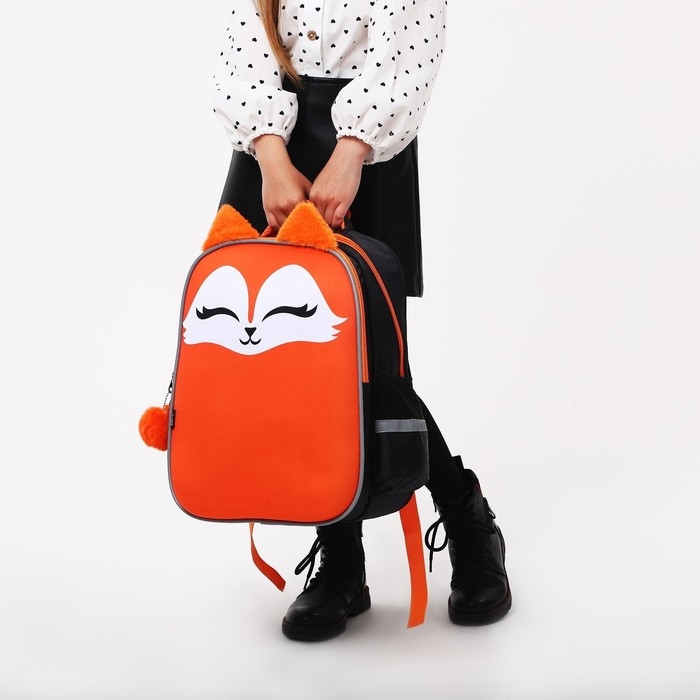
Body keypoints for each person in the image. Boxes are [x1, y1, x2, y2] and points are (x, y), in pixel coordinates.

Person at [211, 0, 512, 642]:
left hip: (367, 154)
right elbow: (244, 46)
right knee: (295, 363)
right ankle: (342, 560)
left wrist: (352, 152)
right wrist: (270, 159)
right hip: (274, 162)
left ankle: (467, 519)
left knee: (373, 363)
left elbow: (409, 45)